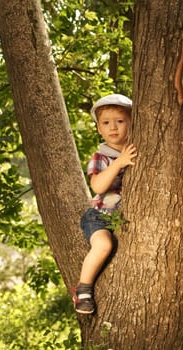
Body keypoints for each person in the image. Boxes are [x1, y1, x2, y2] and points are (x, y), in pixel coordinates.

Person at [73, 94, 137, 314]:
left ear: (131, 122)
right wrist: (118, 163)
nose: (113, 127)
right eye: (106, 123)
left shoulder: (136, 150)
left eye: (120, 121)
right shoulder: (101, 156)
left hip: (122, 217)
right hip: (99, 216)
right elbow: (98, 186)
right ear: (99, 129)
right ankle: (83, 289)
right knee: (103, 246)